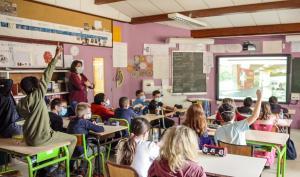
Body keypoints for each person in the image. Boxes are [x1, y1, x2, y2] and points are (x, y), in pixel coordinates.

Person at [17, 45, 77, 157]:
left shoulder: (20, 103)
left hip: (28, 139)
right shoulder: (38, 95)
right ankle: (64, 167)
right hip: (42, 138)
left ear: (23, 90)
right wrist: (56, 56)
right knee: (73, 139)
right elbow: (47, 75)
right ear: (36, 87)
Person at [67, 102, 104, 175]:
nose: (91, 113)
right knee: (101, 148)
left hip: (71, 151)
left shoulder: (71, 121)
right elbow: (101, 129)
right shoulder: (85, 122)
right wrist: (93, 125)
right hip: (81, 152)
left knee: (85, 145)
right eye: (89, 112)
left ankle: (80, 170)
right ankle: (97, 173)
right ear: (84, 115)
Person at [0, 79, 22, 167]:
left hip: (3, 128)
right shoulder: (3, 93)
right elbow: (9, 81)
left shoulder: (4, 93)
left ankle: (7, 162)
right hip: (12, 126)